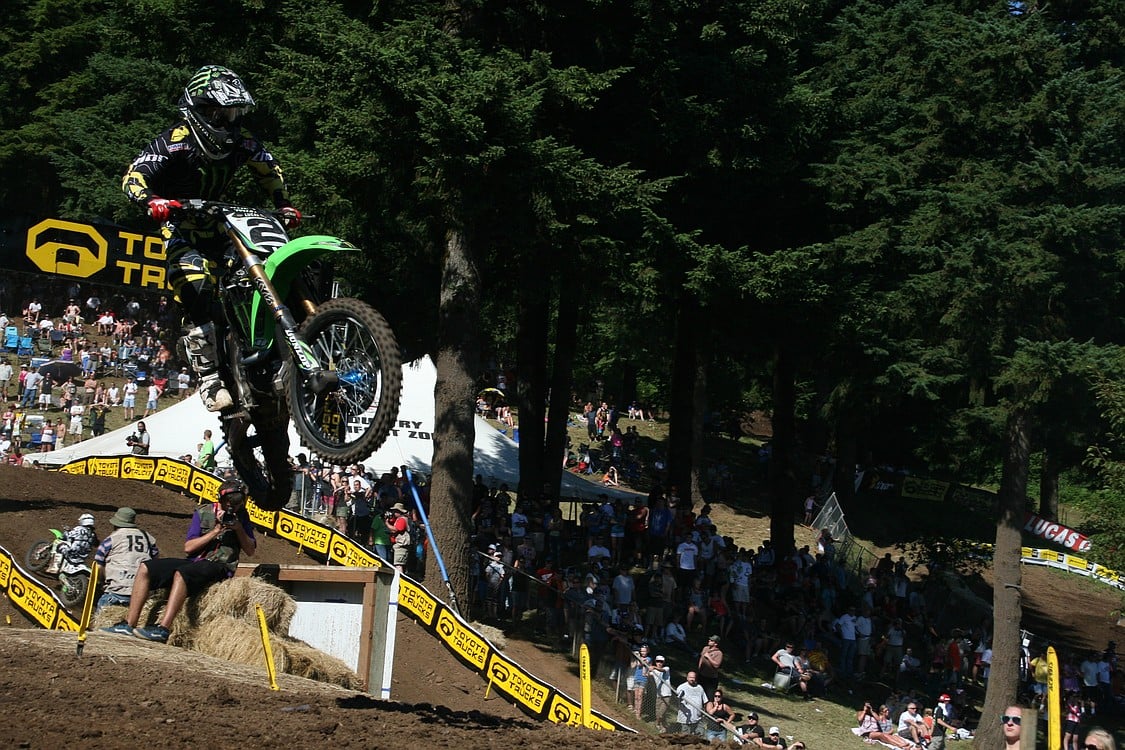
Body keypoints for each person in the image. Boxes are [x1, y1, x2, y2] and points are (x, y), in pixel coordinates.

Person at [122, 65, 299, 413]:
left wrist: (284, 204)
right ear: (203, 110)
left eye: (236, 113)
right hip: (182, 228)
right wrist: (151, 200)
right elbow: (134, 175)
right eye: (224, 113)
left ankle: (276, 347)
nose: (231, 121)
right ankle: (209, 379)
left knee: (266, 267)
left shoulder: (243, 143)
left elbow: (268, 169)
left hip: (223, 225)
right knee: (196, 286)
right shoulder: (174, 142)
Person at [101, 479, 256, 642]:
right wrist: (216, 531)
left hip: (220, 566)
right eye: (231, 502)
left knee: (182, 573)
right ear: (221, 499)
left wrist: (238, 529)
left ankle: (163, 628)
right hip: (195, 561)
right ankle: (129, 624)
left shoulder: (242, 518)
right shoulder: (203, 512)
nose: (234, 506)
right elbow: (189, 548)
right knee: (146, 567)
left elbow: (250, 550)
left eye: (239, 502)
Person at [92, 507, 159, 612]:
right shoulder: (147, 537)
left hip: (117, 590)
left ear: (115, 524)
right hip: (142, 592)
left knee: (101, 622)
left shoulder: (111, 539)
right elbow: (155, 559)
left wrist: (101, 581)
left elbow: (98, 564)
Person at [675, 670, 707, 736]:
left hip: (698, 718)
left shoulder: (699, 688)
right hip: (686, 719)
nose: (692, 679)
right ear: (687, 678)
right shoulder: (682, 687)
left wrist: (704, 711)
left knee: (700, 737)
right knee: (685, 737)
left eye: (693, 677)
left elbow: (705, 701)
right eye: (690, 677)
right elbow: (677, 700)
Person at [385, 501, 412, 573]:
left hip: (401, 545)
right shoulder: (402, 519)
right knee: (399, 564)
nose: (393, 513)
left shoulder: (402, 519)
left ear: (399, 511)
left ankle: (399, 580)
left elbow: (396, 529)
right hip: (400, 545)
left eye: (395, 511)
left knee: (398, 565)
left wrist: (387, 523)